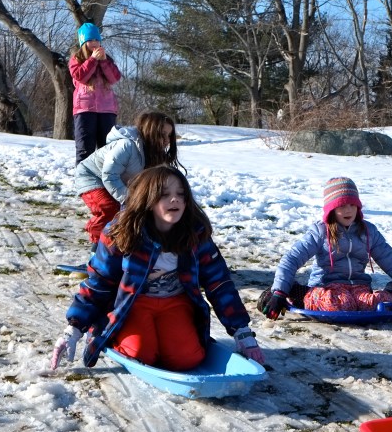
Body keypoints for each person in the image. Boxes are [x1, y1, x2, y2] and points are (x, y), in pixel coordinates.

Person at [51, 166, 263, 371]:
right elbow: (100, 281)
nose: (175, 199)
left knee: (187, 359)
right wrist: (74, 328)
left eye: (181, 194)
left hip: (176, 303)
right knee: (143, 354)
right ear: (147, 200)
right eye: (164, 195)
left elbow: (219, 283)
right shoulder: (121, 233)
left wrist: (241, 331)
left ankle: (169, 339)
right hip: (133, 304)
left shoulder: (194, 234)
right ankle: (106, 330)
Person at [259, 177, 392, 319]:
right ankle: (296, 292)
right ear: (332, 209)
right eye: (342, 206)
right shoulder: (320, 232)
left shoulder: (368, 232)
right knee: (338, 304)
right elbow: (292, 258)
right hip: (327, 288)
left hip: (358, 287)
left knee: (375, 304)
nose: (348, 210)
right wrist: (279, 291)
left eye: (352, 205)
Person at [75, 110, 180, 254]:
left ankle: (130, 249)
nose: (167, 140)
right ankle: (97, 247)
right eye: (162, 135)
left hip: (116, 180)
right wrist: (127, 199)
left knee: (138, 213)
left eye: (169, 135)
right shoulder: (127, 146)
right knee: (110, 208)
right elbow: (109, 175)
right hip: (91, 176)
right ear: (150, 132)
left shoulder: (155, 155)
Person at [70, 22, 122, 165]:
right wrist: (92, 60)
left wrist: (104, 62)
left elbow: (114, 78)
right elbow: (80, 76)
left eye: (96, 40)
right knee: (85, 149)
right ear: (83, 42)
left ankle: (104, 183)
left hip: (107, 110)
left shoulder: (107, 59)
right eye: (90, 40)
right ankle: (84, 184)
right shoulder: (77, 59)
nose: (94, 43)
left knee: (107, 150)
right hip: (84, 110)